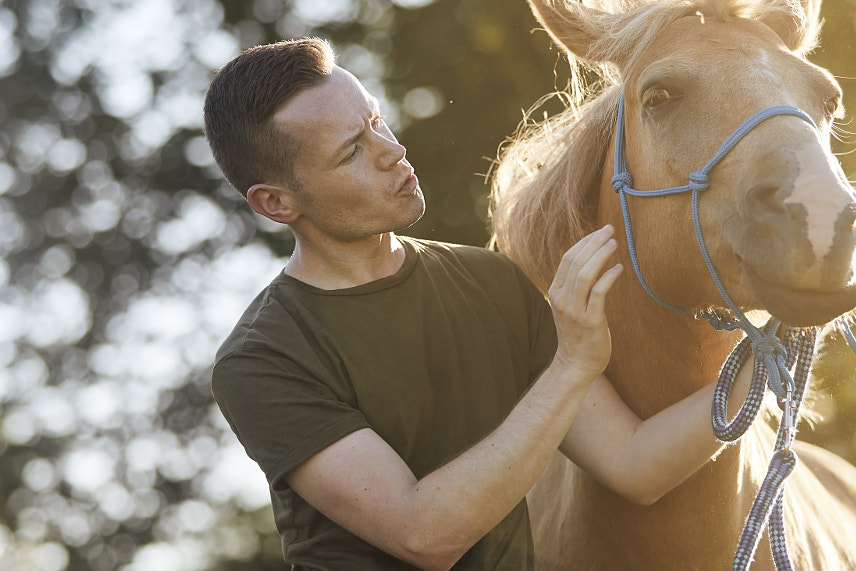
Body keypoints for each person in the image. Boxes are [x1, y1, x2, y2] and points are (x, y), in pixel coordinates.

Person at [203, 37, 753, 571]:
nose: (391, 150)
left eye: (375, 121)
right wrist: (572, 365)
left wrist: (775, 350)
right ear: (275, 202)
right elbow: (425, 535)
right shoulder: (262, 359)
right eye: (352, 151)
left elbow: (635, 464)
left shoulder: (490, 280)